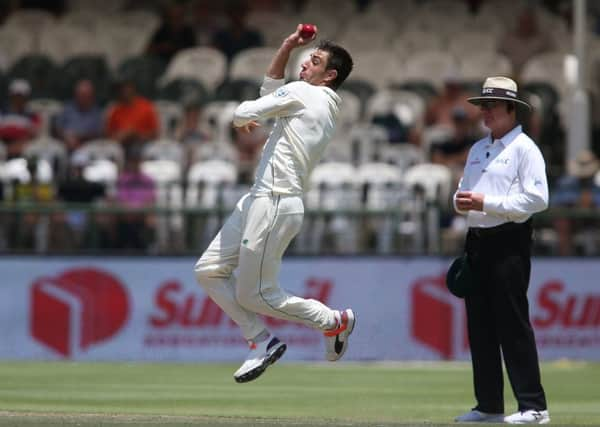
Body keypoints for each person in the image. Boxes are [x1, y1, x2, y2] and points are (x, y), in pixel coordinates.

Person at [194, 25, 355, 383]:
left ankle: (332, 321)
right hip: (260, 198)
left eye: (313, 61)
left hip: (275, 200)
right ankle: (261, 340)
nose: (304, 65)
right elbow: (270, 89)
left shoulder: (304, 94)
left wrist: (246, 115)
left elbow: (242, 113)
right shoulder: (313, 100)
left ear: (329, 76)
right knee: (208, 270)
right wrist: (287, 46)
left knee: (255, 296)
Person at [453, 76, 550, 424]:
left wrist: (485, 202)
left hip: (509, 241)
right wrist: (462, 200)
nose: (485, 113)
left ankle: (534, 407)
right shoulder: (479, 149)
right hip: (477, 242)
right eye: (483, 106)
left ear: (512, 109)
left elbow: (538, 199)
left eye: (492, 106)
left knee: (512, 325)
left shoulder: (525, 148)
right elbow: (464, 189)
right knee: (480, 327)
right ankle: (489, 405)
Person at [54, 79, 104, 153]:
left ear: (91, 96)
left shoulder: (96, 113)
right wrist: (65, 137)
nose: (82, 98)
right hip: (65, 145)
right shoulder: (67, 108)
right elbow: (57, 128)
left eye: (85, 95)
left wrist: (79, 138)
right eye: (79, 95)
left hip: (89, 147)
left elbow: (99, 133)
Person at [106, 79, 160, 146]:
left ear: (133, 88)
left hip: (142, 145)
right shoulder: (116, 110)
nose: (123, 91)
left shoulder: (146, 107)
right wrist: (120, 136)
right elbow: (108, 135)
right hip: (120, 147)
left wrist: (135, 134)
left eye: (126, 88)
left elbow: (155, 134)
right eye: (121, 88)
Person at [0, 79, 40, 158]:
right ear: (11, 95)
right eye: (16, 95)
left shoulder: (32, 114)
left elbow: (35, 133)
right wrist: (7, 147)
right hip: (3, 144)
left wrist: (20, 144)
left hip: (24, 145)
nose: (18, 99)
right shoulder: (2, 111)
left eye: (21, 96)